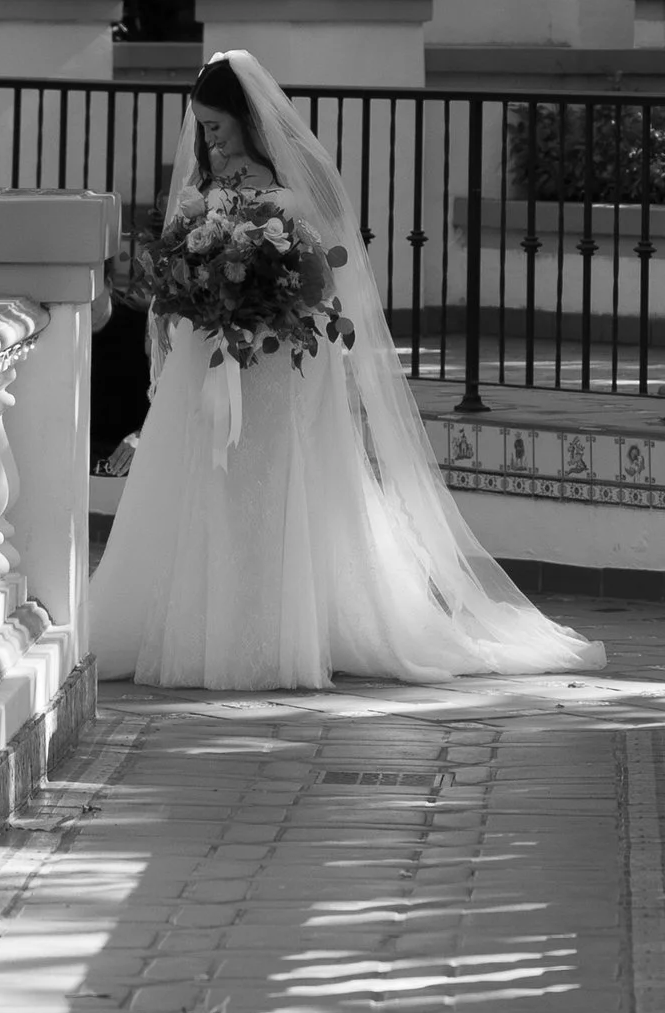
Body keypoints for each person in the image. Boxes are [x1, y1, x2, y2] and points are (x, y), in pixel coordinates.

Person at [91, 49, 604, 689]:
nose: (209, 141)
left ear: (248, 121)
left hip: (279, 360)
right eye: (204, 129)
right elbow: (181, 266)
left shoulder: (300, 183)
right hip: (213, 359)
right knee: (208, 485)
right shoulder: (206, 190)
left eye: (217, 126)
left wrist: (268, 295)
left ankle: (283, 632)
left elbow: (333, 274)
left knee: (276, 484)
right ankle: (200, 630)